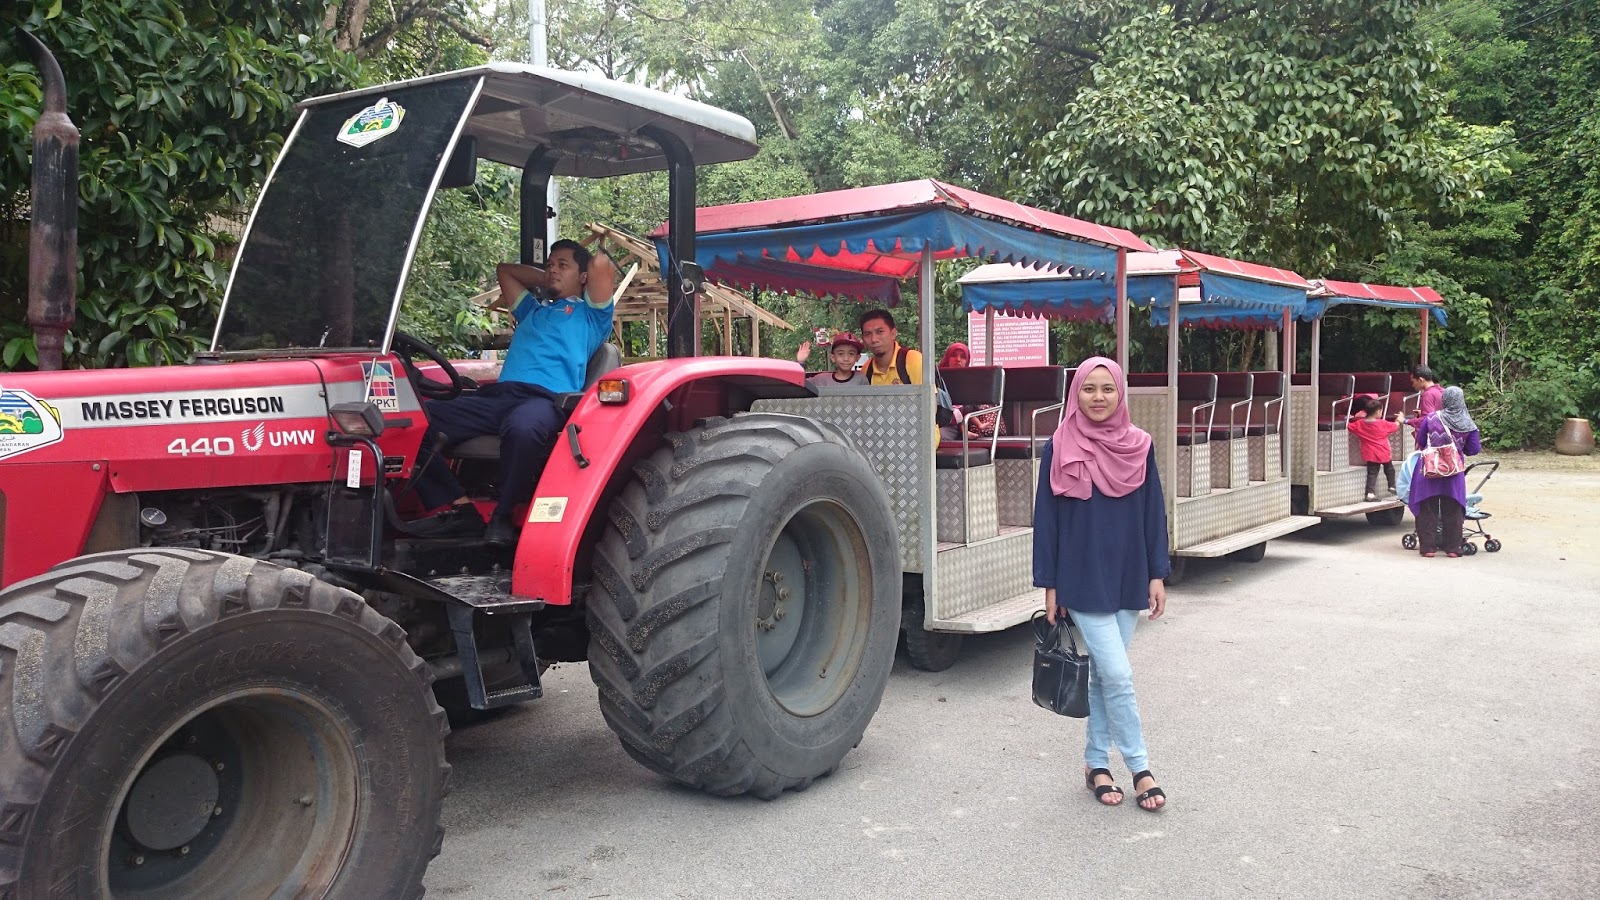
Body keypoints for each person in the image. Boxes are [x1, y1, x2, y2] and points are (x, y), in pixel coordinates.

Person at [409, 240, 618, 545]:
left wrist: (589, 259)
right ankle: (460, 507)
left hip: (544, 399)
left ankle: (503, 515)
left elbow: (601, 267)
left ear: (583, 276)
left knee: (523, 428)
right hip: (499, 397)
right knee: (412, 423)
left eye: (563, 265)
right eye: (549, 264)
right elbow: (504, 271)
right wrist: (548, 277)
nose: (553, 269)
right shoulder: (531, 311)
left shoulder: (591, 317)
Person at [1033, 356, 1170, 812]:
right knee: (1118, 675)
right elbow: (1047, 519)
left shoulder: (1140, 445)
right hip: (1082, 573)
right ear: (1076, 393)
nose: (1098, 397)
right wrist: (1050, 583)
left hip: (1130, 571)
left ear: (1120, 393)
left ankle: (1096, 763)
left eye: (1107, 388)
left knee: (1103, 676)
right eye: (1088, 388)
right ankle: (1140, 767)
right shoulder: (1059, 445)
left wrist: (1156, 573)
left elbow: (1153, 511)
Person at [1407, 386, 1482, 558]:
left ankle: (1428, 548)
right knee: (1453, 509)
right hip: (1453, 472)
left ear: (1444, 400)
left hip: (1429, 469)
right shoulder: (1469, 424)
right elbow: (1473, 449)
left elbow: (1421, 441)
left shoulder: (1432, 418)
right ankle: (1453, 549)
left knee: (1427, 508)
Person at [1348, 395, 1403, 501]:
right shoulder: (1383, 423)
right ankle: (1392, 486)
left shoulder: (1359, 424)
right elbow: (1395, 426)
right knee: (1390, 470)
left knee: (1372, 473)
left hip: (1369, 454)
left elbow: (1349, 426)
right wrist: (1399, 420)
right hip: (1383, 452)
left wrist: (1349, 418)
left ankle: (1370, 493)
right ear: (1378, 411)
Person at [858, 309, 923, 386]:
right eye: (868, 334)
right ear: (863, 339)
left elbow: (928, 393)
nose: (874, 339)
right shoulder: (866, 370)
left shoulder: (913, 359)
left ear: (893, 333)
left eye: (880, 332)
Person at [796, 332, 867, 394]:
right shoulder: (821, 379)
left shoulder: (861, 379)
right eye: (840, 354)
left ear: (857, 358)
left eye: (851, 354)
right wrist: (800, 362)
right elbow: (798, 385)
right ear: (833, 357)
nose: (846, 359)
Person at [1405, 365, 1444, 432]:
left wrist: (1406, 421)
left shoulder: (1428, 394)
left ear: (1421, 380)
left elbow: (1428, 420)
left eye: (1413, 382)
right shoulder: (1443, 391)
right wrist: (1422, 413)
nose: (1413, 385)